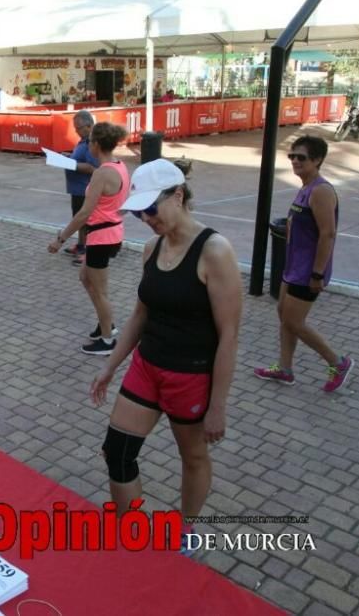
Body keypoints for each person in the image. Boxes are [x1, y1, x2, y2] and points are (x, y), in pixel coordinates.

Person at [90, 158, 242, 555]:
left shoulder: (215, 251)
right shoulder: (151, 247)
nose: (145, 218)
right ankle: (132, 534)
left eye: (150, 208)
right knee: (117, 452)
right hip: (147, 366)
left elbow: (229, 335)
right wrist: (110, 366)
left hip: (190, 376)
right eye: (138, 211)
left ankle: (188, 528)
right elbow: (142, 312)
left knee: (192, 455)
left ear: (178, 195)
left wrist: (218, 406)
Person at [254, 135, 354, 393]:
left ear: (318, 160)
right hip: (293, 267)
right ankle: (285, 369)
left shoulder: (321, 191)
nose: (295, 161)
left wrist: (317, 274)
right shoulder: (305, 187)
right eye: (292, 156)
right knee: (283, 315)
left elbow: (328, 234)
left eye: (302, 157)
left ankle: (338, 362)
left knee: (295, 322)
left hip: (308, 271)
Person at [47, 122, 130, 355]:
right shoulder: (120, 165)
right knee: (86, 278)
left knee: (100, 290)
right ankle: (106, 324)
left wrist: (60, 239)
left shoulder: (102, 173)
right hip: (109, 233)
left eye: (89, 142)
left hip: (102, 236)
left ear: (95, 144)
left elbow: (84, 213)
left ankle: (107, 340)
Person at [61, 111, 99, 265]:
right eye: (75, 128)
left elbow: (92, 167)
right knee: (79, 219)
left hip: (85, 188)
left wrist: (72, 164)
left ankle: (88, 251)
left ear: (89, 126)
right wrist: (68, 158)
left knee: (85, 220)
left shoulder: (91, 142)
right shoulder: (83, 140)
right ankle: (81, 245)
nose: (76, 131)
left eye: (78, 128)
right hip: (77, 189)